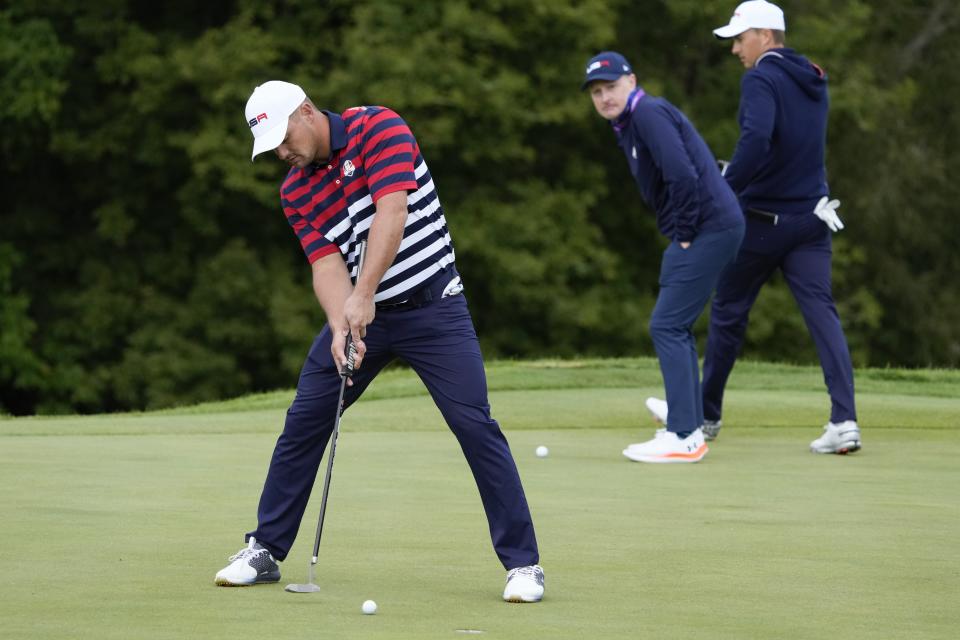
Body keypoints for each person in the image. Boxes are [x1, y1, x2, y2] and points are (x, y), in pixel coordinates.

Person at [214, 81, 544, 603]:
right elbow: (325, 265)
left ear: (306, 111)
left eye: (283, 138)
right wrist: (343, 323)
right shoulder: (295, 190)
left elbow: (392, 212)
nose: (282, 153)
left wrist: (363, 294)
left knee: (473, 425)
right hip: (362, 316)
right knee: (305, 420)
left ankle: (524, 564)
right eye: (271, 147)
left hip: (434, 306)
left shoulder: (378, 128)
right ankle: (265, 549)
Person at [673, 0, 859, 455]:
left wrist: (722, 187)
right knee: (822, 314)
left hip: (761, 224)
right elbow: (788, 146)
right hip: (811, 220)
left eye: (740, 39)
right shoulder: (814, 77)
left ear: (765, 36)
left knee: (728, 314)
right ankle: (845, 420)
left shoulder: (760, 78)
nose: (736, 49)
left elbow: (756, 140)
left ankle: (706, 417)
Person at [582, 52, 745, 464]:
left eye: (611, 87)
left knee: (667, 324)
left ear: (631, 81)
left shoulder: (648, 114)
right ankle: (687, 414)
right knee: (677, 324)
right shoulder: (630, 122)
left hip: (708, 227)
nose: (604, 98)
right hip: (708, 226)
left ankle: (685, 436)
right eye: (597, 92)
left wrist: (685, 232)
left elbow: (682, 175)